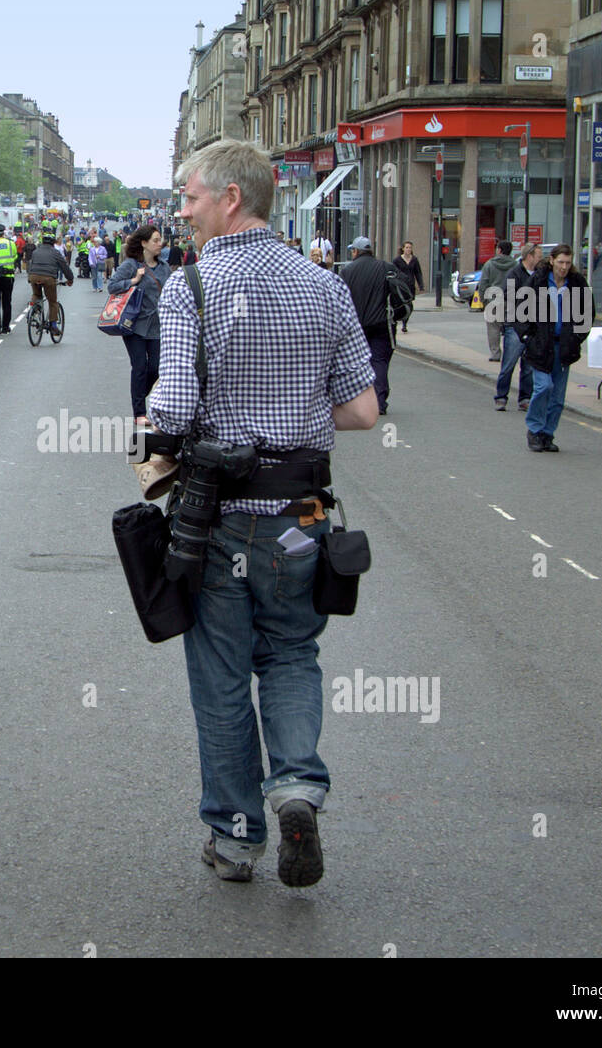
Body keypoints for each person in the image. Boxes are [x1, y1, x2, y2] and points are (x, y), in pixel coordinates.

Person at [153, 139, 378, 886]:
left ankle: (236, 836)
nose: (180, 210)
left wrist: (153, 432)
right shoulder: (326, 286)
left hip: (219, 519)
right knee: (290, 653)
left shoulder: (194, 286)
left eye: (189, 196)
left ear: (229, 198)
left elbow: (177, 408)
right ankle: (296, 790)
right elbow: (362, 410)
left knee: (220, 673)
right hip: (301, 513)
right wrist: (291, 410)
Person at [519, 244, 591, 452]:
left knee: (558, 397)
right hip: (541, 345)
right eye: (560, 262)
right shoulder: (538, 281)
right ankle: (534, 429)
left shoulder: (577, 283)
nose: (564, 267)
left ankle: (547, 434)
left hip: (565, 346)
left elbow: (588, 313)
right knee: (544, 387)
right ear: (552, 260)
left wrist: (577, 337)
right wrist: (526, 336)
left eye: (568, 263)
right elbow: (520, 308)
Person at [340, 236, 410, 416]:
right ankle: (379, 401)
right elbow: (403, 288)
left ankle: (357, 401)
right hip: (382, 324)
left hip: (355, 326)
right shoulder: (386, 268)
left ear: (355, 251)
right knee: (379, 362)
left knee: (356, 364)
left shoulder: (347, 271)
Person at [107, 225, 170, 424]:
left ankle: (139, 397)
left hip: (158, 326)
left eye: (160, 240)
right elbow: (112, 286)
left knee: (156, 368)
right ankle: (139, 413)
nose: (160, 244)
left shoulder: (164, 267)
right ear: (144, 243)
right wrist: (134, 280)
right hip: (134, 325)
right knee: (140, 367)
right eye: (156, 240)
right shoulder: (131, 265)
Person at [494, 242, 540, 411]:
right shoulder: (515, 273)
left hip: (533, 324)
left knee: (528, 366)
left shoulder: (539, 273)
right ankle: (501, 396)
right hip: (515, 324)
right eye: (538, 256)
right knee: (508, 364)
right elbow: (508, 294)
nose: (540, 259)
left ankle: (525, 398)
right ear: (529, 256)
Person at [28, 232, 75, 337]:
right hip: (48, 278)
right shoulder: (55, 252)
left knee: (36, 294)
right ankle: (53, 325)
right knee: (52, 301)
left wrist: (29, 278)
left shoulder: (35, 252)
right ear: (53, 243)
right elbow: (64, 266)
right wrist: (70, 279)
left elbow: (31, 264)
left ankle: (34, 311)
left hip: (34, 276)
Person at [477, 239, 516, 362]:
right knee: (510, 328)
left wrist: (483, 300)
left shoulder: (489, 264)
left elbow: (483, 283)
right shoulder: (515, 265)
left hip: (493, 300)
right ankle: (510, 354)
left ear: (499, 250)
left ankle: (495, 353)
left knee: (493, 328)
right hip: (510, 300)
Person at [392, 241, 423, 333]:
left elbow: (418, 273)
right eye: (407, 247)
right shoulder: (397, 260)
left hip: (410, 285)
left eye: (410, 248)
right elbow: (393, 272)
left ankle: (405, 323)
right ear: (403, 249)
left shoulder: (414, 260)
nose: (408, 249)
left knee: (409, 304)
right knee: (400, 303)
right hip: (400, 286)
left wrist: (421, 285)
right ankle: (397, 319)